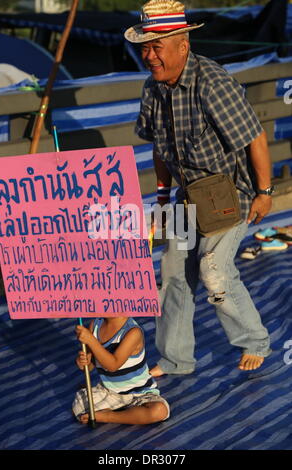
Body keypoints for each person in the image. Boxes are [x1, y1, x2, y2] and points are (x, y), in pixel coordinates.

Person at [124, 0, 273, 377]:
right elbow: (160, 148)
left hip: (228, 193)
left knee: (214, 270)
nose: (148, 55)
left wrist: (265, 192)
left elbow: (255, 137)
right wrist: (160, 199)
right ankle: (176, 360)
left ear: (182, 45)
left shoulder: (212, 82)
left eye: (156, 47)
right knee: (173, 272)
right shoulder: (153, 89)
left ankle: (255, 341)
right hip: (186, 197)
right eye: (145, 47)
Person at [73, 316, 170, 424]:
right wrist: (83, 362)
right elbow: (91, 365)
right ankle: (130, 413)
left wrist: (91, 340)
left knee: (159, 411)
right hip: (111, 391)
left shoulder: (133, 332)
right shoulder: (95, 325)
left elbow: (113, 365)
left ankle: (110, 416)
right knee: (79, 406)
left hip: (140, 393)